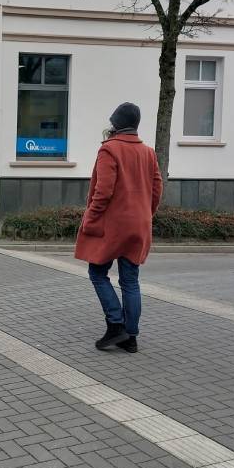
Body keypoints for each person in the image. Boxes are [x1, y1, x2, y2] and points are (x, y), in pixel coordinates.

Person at [74, 102, 163, 353]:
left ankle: (116, 325)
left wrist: (90, 219)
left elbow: (103, 193)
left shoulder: (109, 150)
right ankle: (131, 338)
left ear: (116, 124)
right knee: (130, 281)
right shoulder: (148, 152)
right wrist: (146, 213)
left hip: (113, 225)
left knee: (97, 273)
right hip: (138, 224)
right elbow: (157, 189)